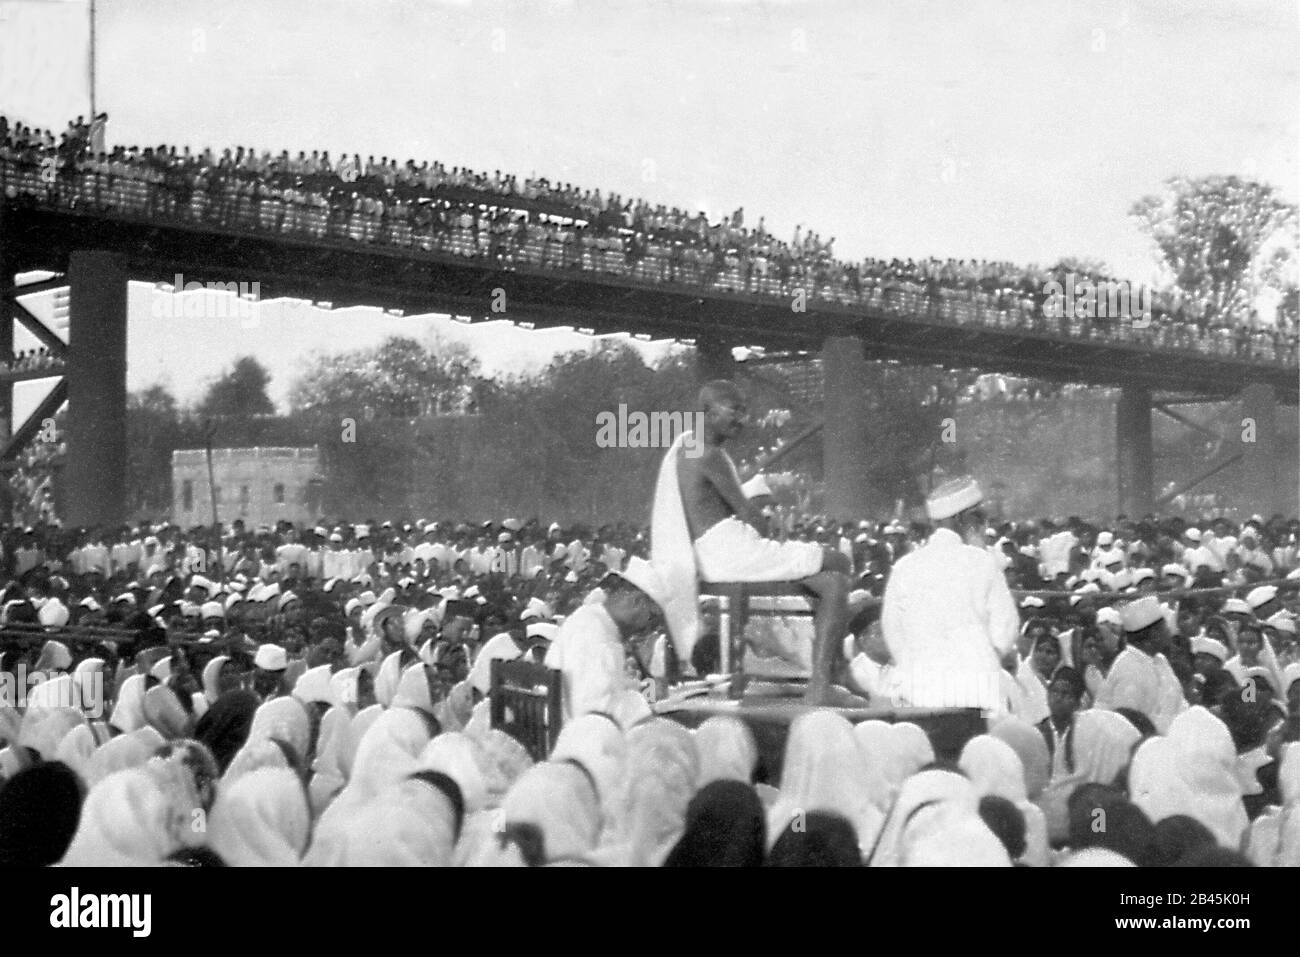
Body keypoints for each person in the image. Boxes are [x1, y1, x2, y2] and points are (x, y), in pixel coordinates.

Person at [651, 380, 851, 705]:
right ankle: (823, 680)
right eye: (734, 409)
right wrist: (771, 525)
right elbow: (747, 513)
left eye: (744, 410)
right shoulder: (709, 453)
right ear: (707, 412)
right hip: (729, 551)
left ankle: (821, 678)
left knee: (833, 583)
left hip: (714, 552)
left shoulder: (687, 446)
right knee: (839, 562)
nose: (742, 418)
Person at [880, 476, 1018, 712]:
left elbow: (892, 630)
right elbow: (1005, 626)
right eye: (978, 518)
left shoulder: (904, 566)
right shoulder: (983, 561)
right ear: (964, 519)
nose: (983, 525)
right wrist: (983, 659)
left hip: (918, 689)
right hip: (976, 689)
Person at [543, 557, 668, 723]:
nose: (648, 627)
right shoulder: (597, 635)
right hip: (579, 738)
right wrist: (648, 710)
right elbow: (597, 713)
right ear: (637, 601)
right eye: (651, 618)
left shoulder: (590, 618)